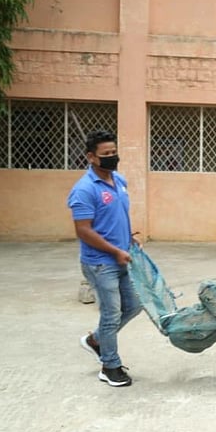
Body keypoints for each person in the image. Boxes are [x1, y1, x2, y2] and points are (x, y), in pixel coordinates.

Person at [70, 129, 143, 387]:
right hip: (100, 263)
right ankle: (109, 366)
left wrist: (128, 238)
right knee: (112, 313)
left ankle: (95, 339)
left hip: (122, 257)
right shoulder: (84, 190)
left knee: (134, 305)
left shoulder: (119, 181)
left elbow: (116, 216)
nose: (112, 157)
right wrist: (114, 250)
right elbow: (83, 230)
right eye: (106, 154)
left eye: (114, 152)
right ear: (91, 157)